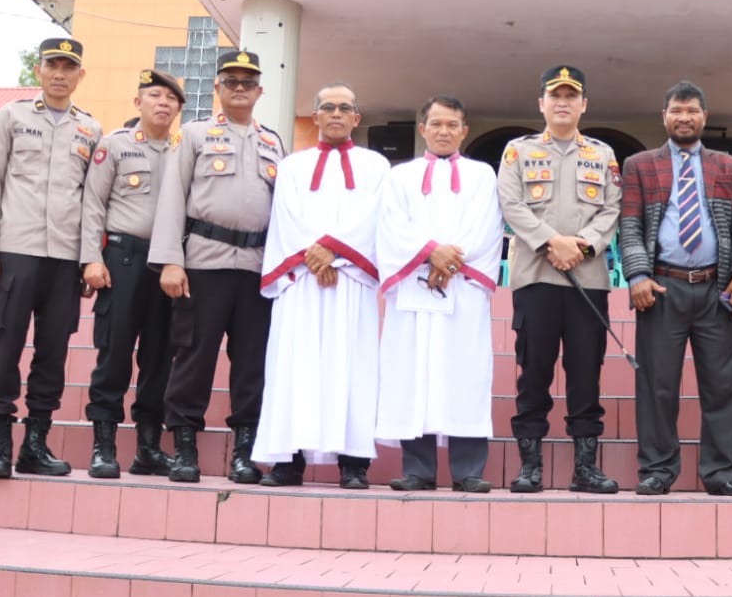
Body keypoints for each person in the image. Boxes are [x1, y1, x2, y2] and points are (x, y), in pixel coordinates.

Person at [149, 49, 285, 483]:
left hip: (256, 267)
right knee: (194, 355)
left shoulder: (273, 142)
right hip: (203, 262)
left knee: (251, 362)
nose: (240, 88)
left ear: (260, 90)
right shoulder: (194, 134)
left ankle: (244, 451)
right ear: (219, 88)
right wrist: (171, 260)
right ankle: (185, 445)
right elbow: (172, 196)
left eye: (248, 82)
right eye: (231, 81)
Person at [618, 82, 732, 497]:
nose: (684, 117)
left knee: (722, 385)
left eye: (692, 110)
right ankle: (658, 470)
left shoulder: (727, 165)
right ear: (664, 116)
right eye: (677, 110)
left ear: (704, 116)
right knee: (658, 385)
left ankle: (721, 473)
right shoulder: (639, 165)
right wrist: (637, 275)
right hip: (662, 287)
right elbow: (629, 224)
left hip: (717, 290)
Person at [0, 37, 100, 478]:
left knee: (53, 352)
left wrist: (88, 258)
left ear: (81, 75)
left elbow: (92, 200)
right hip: (15, 250)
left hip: (65, 256)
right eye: (52, 65)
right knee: (6, 346)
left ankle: (36, 445)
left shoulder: (90, 129)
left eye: (69, 67)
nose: (59, 74)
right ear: (39, 71)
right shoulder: (13, 115)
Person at [254, 82, 389, 488]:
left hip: (350, 279)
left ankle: (353, 463)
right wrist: (312, 255)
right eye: (327, 107)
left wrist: (333, 252)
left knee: (353, 368)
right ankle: (288, 460)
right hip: (301, 281)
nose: (335, 114)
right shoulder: (292, 165)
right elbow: (285, 216)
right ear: (315, 116)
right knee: (294, 367)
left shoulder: (377, 166)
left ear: (356, 118)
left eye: (344, 108)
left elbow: (375, 217)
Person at [495, 65, 622, 494]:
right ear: (541, 104)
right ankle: (530, 466)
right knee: (534, 373)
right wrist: (552, 243)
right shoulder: (518, 151)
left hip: (588, 283)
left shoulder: (602, 154)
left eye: (571, 96)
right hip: (536, 279)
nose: (563, 102)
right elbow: (511, 204)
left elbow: (612, 209)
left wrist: (581, 246)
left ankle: (586, 469)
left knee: (586, 375)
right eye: (555, 96)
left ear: (584, 104)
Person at [375, 95, 503, 492]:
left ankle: (468, 471)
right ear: (423, 128)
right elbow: (392, 227)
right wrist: (431, 254)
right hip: (415, 287)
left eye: (453, 125)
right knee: (413, 374)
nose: (444, 131)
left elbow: (487, 226)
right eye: (437, 124)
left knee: (464, 374)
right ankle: (418, 468)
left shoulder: (483, 175)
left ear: (465, 131)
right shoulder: (400, 177)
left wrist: (448, 263)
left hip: (463, 288)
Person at [78, 69, 185, 478]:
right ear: (137, 103)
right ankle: (104, 447)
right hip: (122, 261)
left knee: (160, 358)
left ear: (178, 108)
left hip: (168, 265)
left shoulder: (183, 148)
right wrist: (91, 258)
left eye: (170, 98)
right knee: (115, 354)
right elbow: (92, 204)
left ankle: (148, 448)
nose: (162, 103)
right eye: (154, 95)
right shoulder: (115, 146)